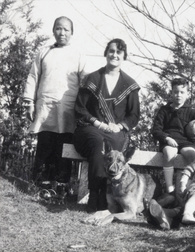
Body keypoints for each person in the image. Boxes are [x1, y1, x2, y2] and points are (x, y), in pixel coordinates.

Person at [73, 38, 140, 213]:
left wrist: (120, 126)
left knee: (116, 147)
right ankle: (96, 194)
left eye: (119, 52)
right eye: (111, 51)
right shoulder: (92, 79)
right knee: (97, 142)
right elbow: (79, 108)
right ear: (106, 53)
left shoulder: (130, 85)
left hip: (115, 131)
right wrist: (98, 123)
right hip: (89, 128)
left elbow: (134, 115)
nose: (114, 55)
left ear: (124, 56)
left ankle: (111, 196)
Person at [23, 16, 87, 184]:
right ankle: (39, 183)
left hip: (67, 108)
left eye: (66, 29)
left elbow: (85, 82)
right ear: (53, 30)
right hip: (45, 106)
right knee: (45, 143)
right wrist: (29, 102)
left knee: (64, 146)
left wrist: (84, 109)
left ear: (72, 32)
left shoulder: (78, 54)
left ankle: (61, 186)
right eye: (58, 28)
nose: (62, 33)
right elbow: (33, 77)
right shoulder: (44, 52)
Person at [152, 77, 195, 195]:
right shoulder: (164, 110)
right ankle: (169, 188)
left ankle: (190, 186)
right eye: (175, 92)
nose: (178, 95)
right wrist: (166, 138)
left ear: (187, 94)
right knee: (169, 154)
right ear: (171, 93)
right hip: (169, 140)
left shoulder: (190, 111)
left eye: (182, 92)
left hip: (186, 141)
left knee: (191, 154)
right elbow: (156, 129)